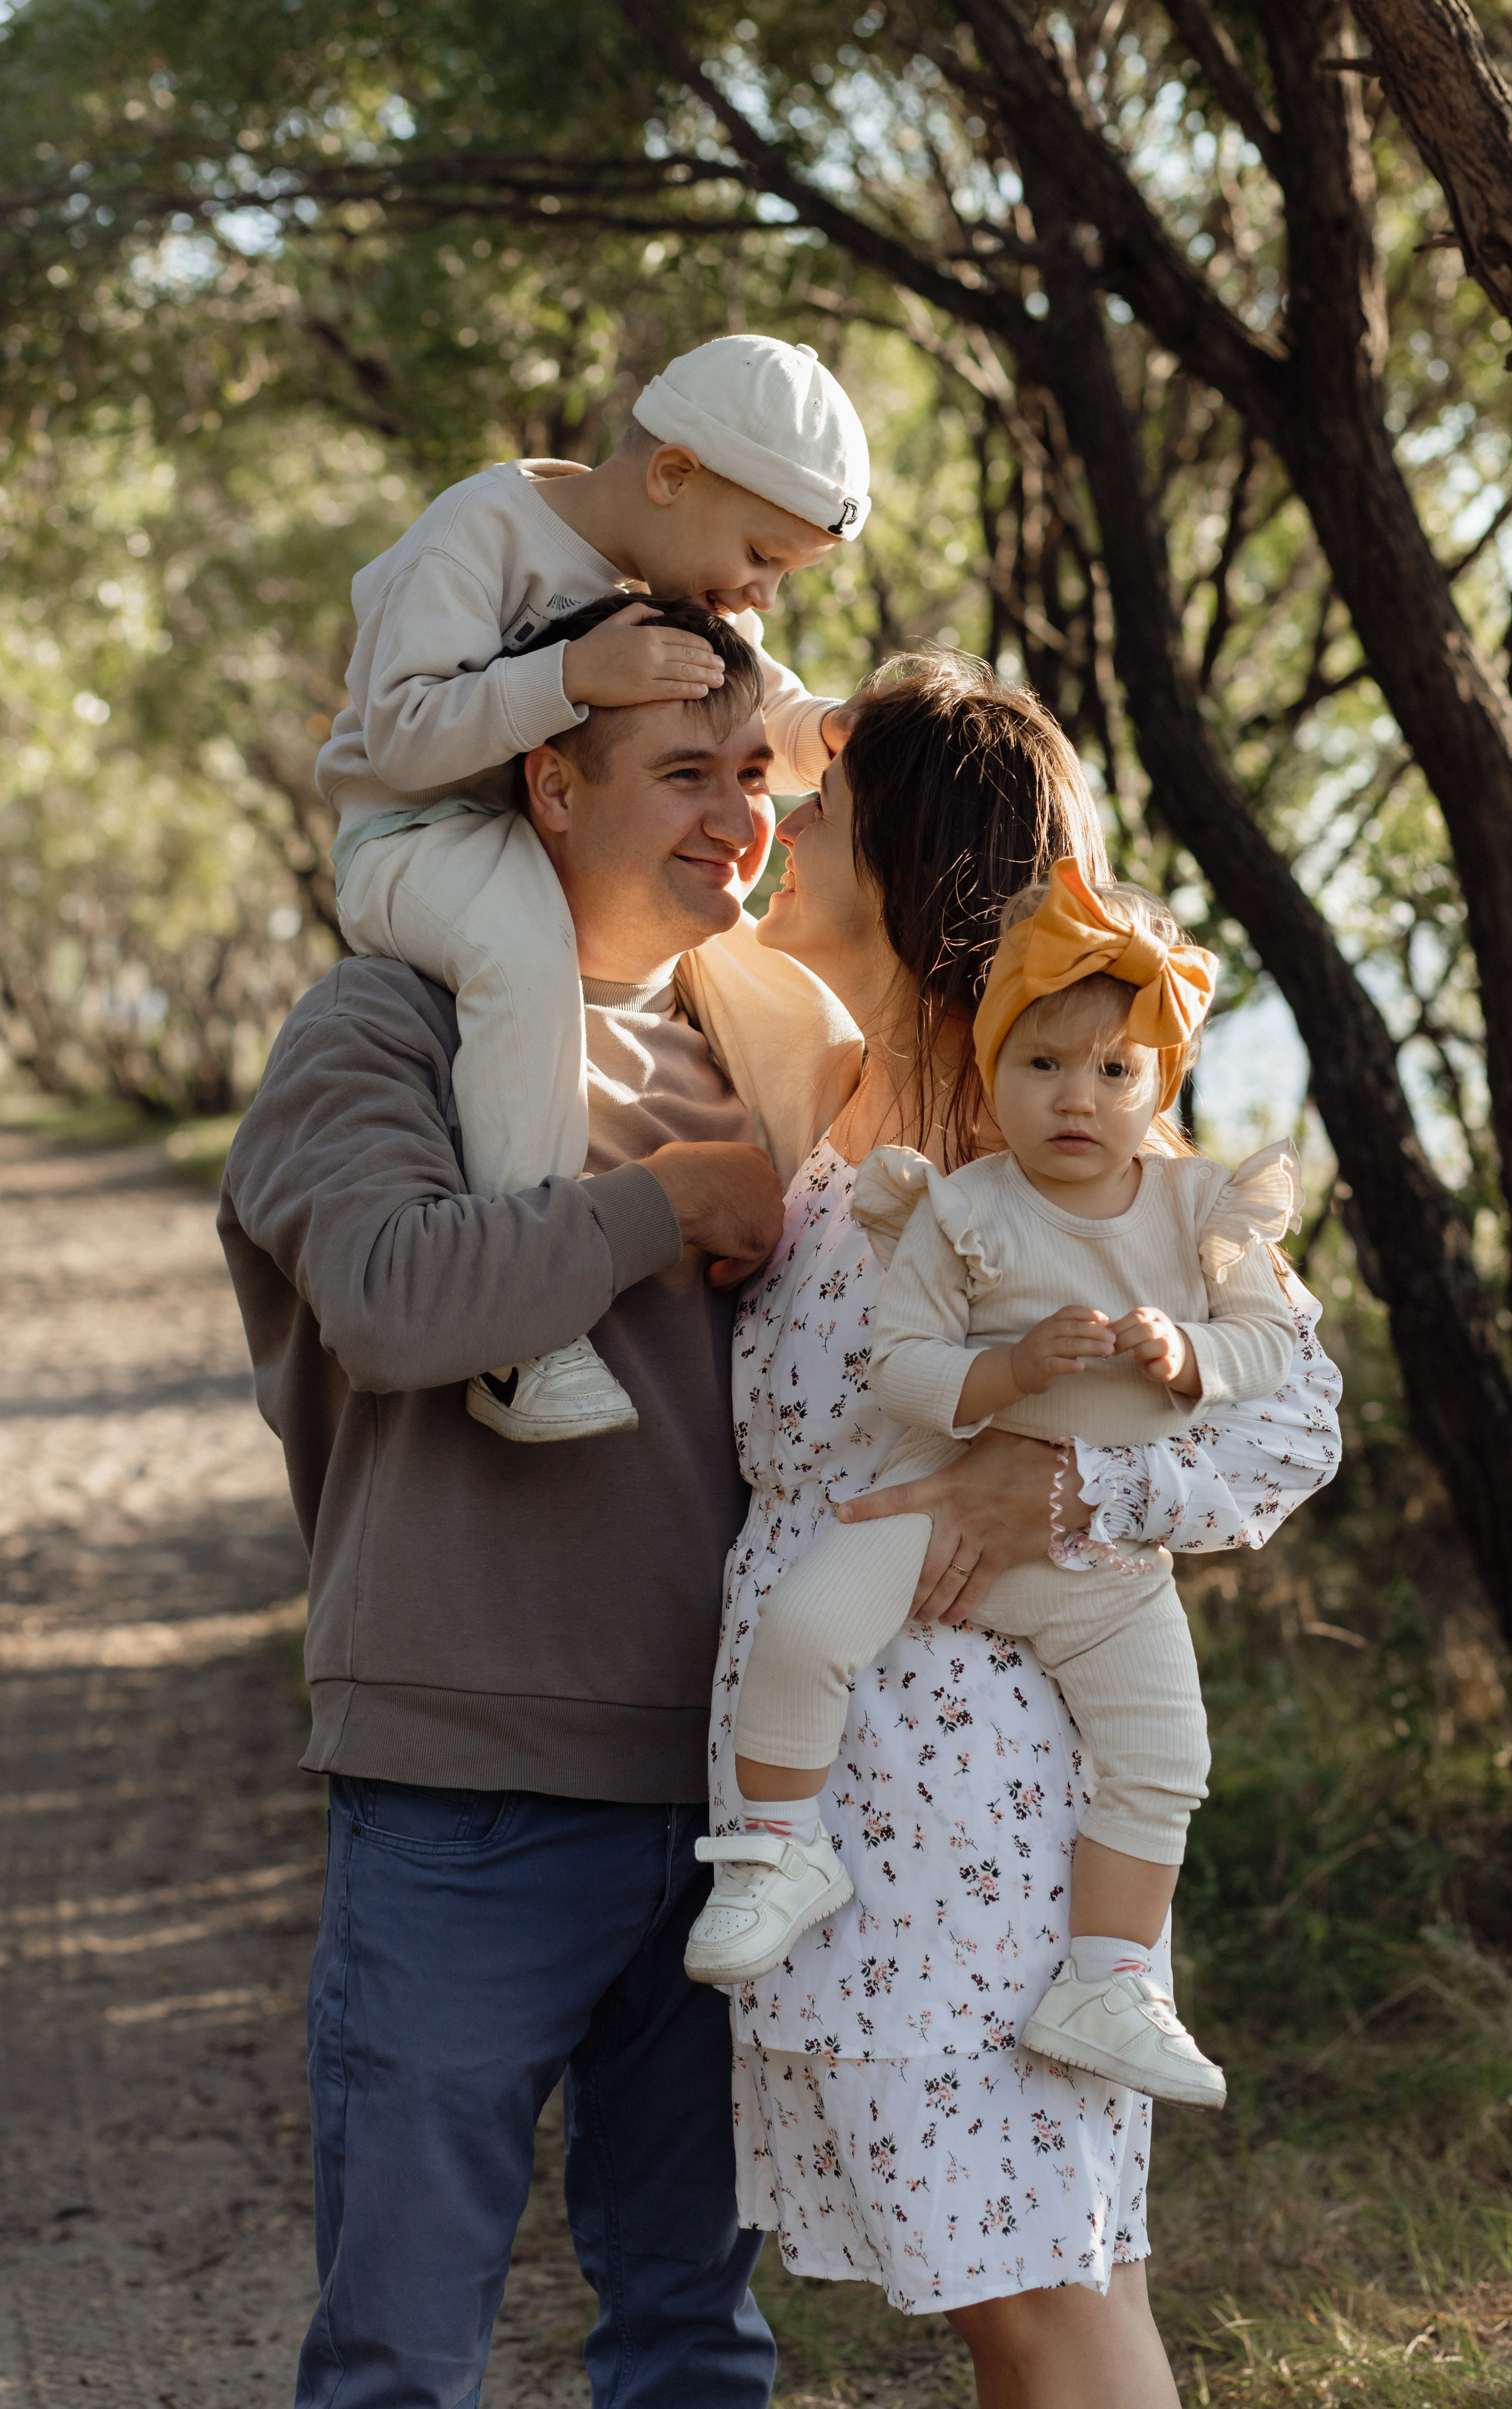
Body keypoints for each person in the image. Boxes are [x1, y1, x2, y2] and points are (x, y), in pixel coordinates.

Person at [220, 620, 1174, 2408]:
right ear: (546, 779)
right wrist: (661, 1207)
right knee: (404, 2344)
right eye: (688, 775)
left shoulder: (769, 1046)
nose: (747, 820)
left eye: (766, 782)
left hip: (756, 1810)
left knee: (698, 2337)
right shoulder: (388, 1026)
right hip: (474, 1790)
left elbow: (1130, 1343)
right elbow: (389, 1299)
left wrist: (1044, 1471)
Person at [693, 655, 1342, 2403]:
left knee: (1051, 2296)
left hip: (973, 1819)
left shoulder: (1061, 1140)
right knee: (1035, 2290)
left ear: (906, 859)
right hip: (861, 1821)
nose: (779, 832)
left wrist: (1056, 1487)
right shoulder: (843, 1125)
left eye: (819, 811)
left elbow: (1293, 1414)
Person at [689, 862, 1311, 2114]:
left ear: (1159, 1083)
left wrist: (1188, 1356)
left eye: (1112, 1072)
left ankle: (1108, 1978)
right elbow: (901, 1369)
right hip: (936, 1512)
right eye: (1040, 1067)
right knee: (803, 1627)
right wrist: (1006, 1370)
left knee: (1161, 1755)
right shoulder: (962, 1210)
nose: (1075, 1099)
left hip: (1099, 1572)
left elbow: (1270, 1359)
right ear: (991, 1068)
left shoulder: (1203, 1210)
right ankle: (775, 1848)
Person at [319, 331, 870, 1443]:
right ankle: (525, 1345)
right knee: (523, 960)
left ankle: (848, 1250)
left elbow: (763, 708)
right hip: (426, 834)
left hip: (559, 849)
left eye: (783, 577)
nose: (760, 592)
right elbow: (403, 732)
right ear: (671, 475)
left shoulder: (688, 584)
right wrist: (565, 675)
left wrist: (837, 733)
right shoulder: (482, 533)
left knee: (786, 997)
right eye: (761, 554)